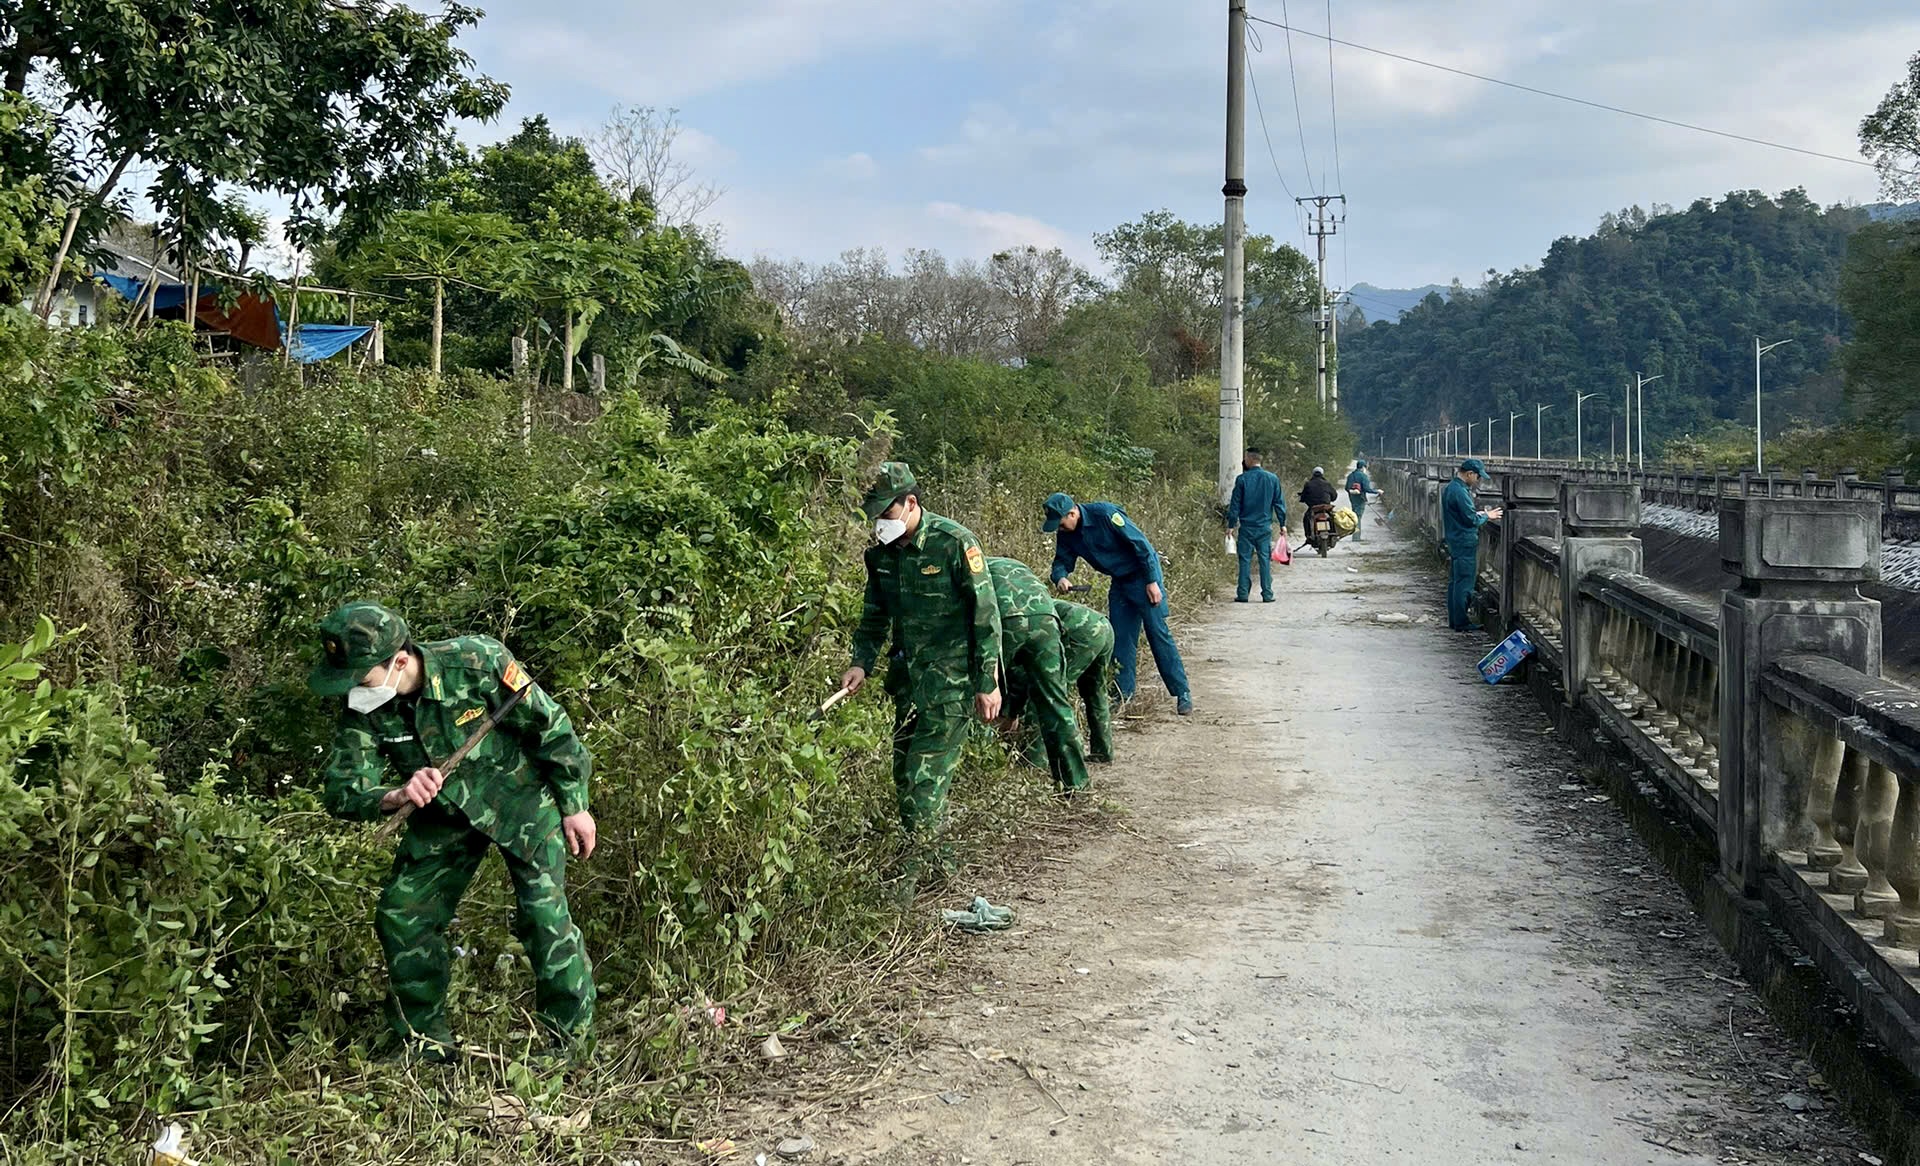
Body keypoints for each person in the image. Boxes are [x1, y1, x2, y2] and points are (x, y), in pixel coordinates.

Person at [312, 601, 597, 1062]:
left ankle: (570, 1044)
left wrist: (574, 804)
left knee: (544, 919)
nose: (353, 688)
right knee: (403, 913)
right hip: (442, 817)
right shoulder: (364, 707)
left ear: (399, 661)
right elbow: (344, 790)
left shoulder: (477, 661)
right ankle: (424, 1045)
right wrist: (395, 794)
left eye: (361, 676)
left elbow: (550, 726)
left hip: (522, 804)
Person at [843, 463, 1002, 879]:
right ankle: (942, 869)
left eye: (886, 513)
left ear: (911, 503)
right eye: (874, 516)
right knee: (904, 776)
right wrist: (861, 662)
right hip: (908, 683)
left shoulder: (954, 543)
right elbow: (874, 614)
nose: (880, 524)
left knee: (923, 780)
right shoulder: (880, 554)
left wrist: (988, 682)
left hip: (950, 683)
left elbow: (985, 616)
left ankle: (907, 882)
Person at [1042, 492, 1194, 716]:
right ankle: (1122, 695)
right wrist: (1061, 577)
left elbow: (1141, 545)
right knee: (1120, 639)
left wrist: (1152, 581)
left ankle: (1182, 693)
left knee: (1157, 634)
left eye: (1061, 524)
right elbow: (1061, 561)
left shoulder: (1105, 515)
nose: (1060, 529)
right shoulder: (1067, 533)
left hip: (1143, 577)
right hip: (1120, 582)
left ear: (1072, 513)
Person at [986, 556, 1090, 793]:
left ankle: (983, 766)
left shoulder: (965, 566)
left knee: (983, 691)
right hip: (1046, 618)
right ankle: (1075, 783)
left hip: (1005, 619)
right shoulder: (1012, 564)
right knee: (1056, 702)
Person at [1443, 458, 1504, 632]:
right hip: (1464, 541)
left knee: (1455, 582)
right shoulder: (1460, 492)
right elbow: (1471, 520)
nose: (1478, 480)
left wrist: (1478, 514)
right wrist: (1487, 516)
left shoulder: (1451, 488)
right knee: (1464, 584)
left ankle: (1455, 620)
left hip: (1455, 540)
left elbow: (1462, 514)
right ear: (1470, 474)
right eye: (1478, 476)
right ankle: (1461, 622)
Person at [1226, 449, 1286, 603]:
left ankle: (1243, 593)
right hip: (1264, 527)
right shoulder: (1272, 479)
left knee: (1244, 560)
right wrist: (1282, 524)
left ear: (1250, 459)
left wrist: (1231, 525)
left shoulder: (1242, 479)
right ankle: (1267, 594)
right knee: (1264, 560)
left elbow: (1235, 505)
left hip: (1246, 527)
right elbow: (1279, 503)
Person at [1345, 459, 1378, 540]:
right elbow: (1367, 489)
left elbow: (1346, 488)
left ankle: (1355, 536)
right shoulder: (1363, 476)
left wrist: (1352, 492)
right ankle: (1356, 537)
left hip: (1352, 498)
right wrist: (1377, 491)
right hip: (1360, 499)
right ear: (1363, 467)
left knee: (1354, 515)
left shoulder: (1351, 475)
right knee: (1358, 517)